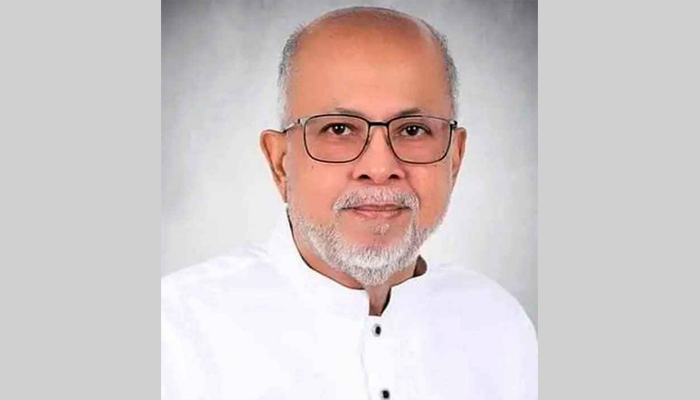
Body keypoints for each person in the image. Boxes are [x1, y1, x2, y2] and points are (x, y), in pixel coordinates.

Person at [161, 6, 537, 400]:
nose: (380, 168)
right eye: (339, 129)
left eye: (412, 130)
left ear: (454, 159)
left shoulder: (499, 325)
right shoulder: (175, 333)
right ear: (280, 162)